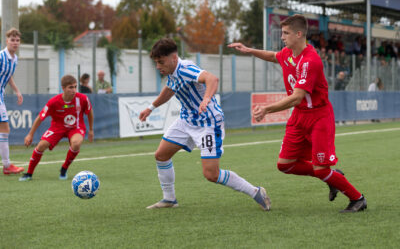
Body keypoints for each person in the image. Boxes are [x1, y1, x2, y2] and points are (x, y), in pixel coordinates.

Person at [229, 14, 366, 213]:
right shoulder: (289, 53)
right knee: (285, 165)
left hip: (319, 117)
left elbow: (297, 97)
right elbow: (272, 56)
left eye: (286, 33)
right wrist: (249, 50)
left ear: (299, 34)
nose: (282, 37)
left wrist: (267, 109)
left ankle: (358, 199)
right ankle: (332, 176)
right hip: (299, 117)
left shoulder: (310, 61)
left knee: (320, 169)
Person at [139, 38, 271, 211]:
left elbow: (212, 79)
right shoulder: (171, 72)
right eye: (156, 63)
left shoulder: (186, 69)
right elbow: (170, 89)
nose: (158, 66)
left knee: (211, 174)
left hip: (207, 123)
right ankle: (169, 199)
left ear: (173, 58)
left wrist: (206, 98)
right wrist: (151, 108)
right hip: (186, 120)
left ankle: (255, 192)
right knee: (161, 155)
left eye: (160, 62)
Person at [19, 75, 94, 181]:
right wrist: (30, 134)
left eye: (75, 87)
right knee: (41, 145)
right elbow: (40, 117)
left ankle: (64, 169)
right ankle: (29, 173)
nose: (74, 90)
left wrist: (91, 130)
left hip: (76, 127)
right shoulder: (53, 102)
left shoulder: (82, 98)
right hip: (57, 127)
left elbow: (89, 112)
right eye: (70, 87)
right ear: (63, 88)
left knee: (76, 143)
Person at [1, 28, 25, 175]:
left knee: (3, 130)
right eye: (12, 40)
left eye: (17, 40)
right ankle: (7, 165)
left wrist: (17, 91)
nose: (15, 43)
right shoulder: (1, 57)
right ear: (7, 41)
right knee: (4, 129)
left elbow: (8, 75)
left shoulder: (14, 59)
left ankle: (7, 165)